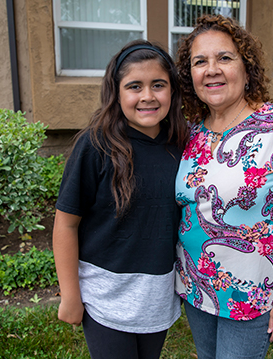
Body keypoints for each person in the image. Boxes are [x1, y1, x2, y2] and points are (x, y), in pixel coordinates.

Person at [174, 15, 273, 359]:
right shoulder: (190, 131)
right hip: (196, 287)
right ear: (191, 76)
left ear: (247, 69)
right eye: (200, 62)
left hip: (251, 296)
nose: (211, 69)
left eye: (224, 58)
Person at [53, 40, 188, 359]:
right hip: (105, 296)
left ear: (172, 91)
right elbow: (66, 224)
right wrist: (70, 295)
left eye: (158, 85)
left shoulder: (181, 145)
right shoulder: (96, 145)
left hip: (156, 296)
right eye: (134, 86)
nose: (147, 96)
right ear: (116, 92)